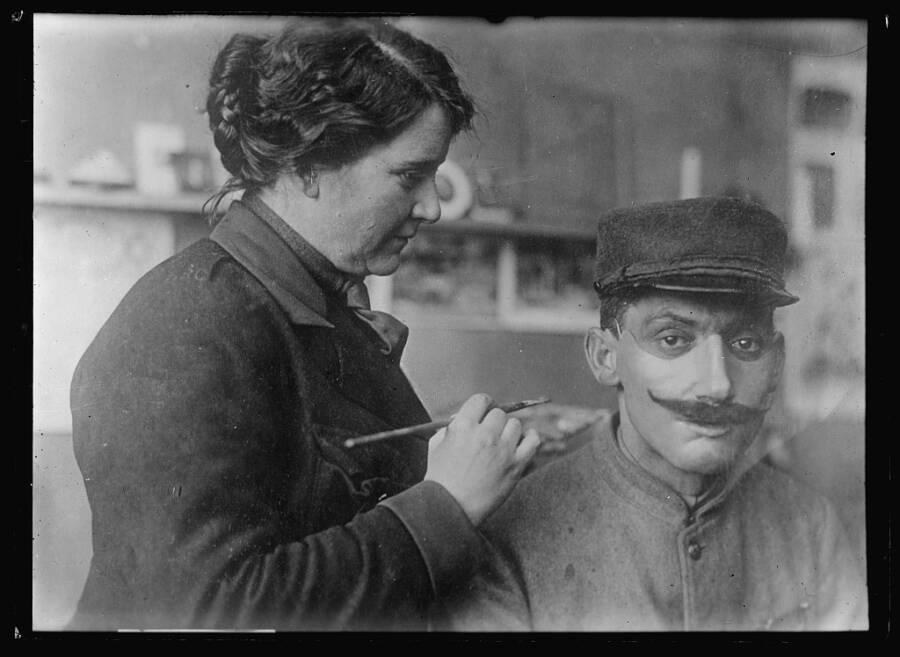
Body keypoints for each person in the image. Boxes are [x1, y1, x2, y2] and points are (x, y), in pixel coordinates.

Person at [68, 18, 540, 631]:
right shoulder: (189, 325)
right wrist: (444, 505)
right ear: (310, 165)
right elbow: (204, 609)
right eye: (408, 176)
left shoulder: (311, 307)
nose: (432, 206)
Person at [438, 196, 868, 631]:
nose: (717, 385)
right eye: (673, 339)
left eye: (746, 344)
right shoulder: (510, 534)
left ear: (776, 363)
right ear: (605, 357)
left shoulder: (808, 523)